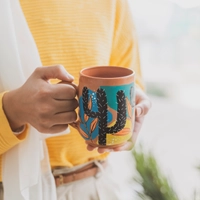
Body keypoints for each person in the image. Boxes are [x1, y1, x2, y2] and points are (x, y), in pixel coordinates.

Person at [0, 0, 151, 200]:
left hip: (95, 187)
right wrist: (12, 110)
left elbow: (131, 77)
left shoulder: (114, 3)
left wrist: (134, 104)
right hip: (11, 189)